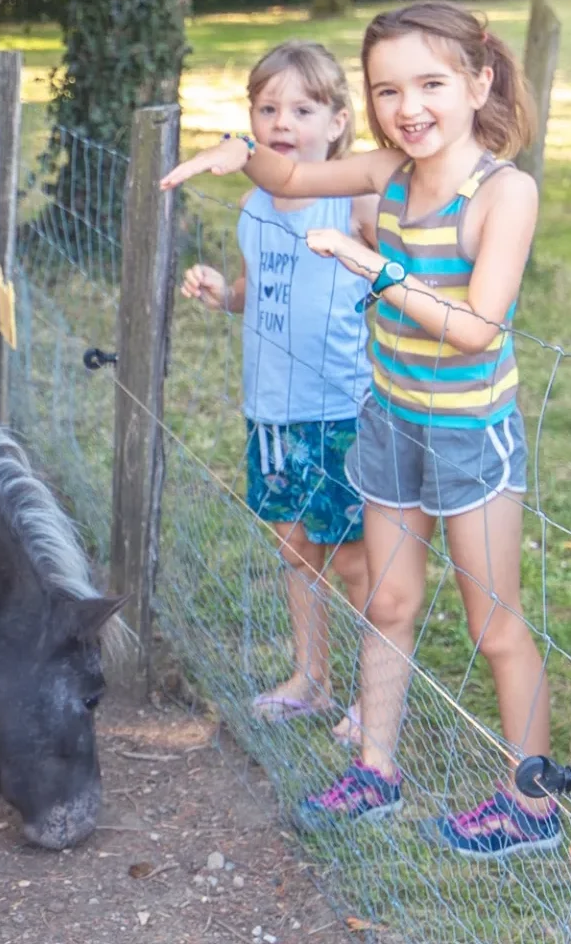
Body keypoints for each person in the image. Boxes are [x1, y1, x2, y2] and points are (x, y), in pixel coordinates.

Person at [160, 0, 561, 860]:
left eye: (430, 84)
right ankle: (376, 772)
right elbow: (293, 180)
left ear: (478, 81)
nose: (407, 107)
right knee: (386, 598)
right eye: (387, 91)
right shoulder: (385, 172)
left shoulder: (505, 191)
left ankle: (531, 800)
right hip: (388, 420)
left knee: (494, 623)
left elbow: (477, 328)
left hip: (467, 433)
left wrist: (373, 266)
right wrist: (243, 152)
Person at [176, 41, 372, 746]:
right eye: (267, 108)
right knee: (295, 548)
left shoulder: (356, 201)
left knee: (352, 557)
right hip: (272, 414)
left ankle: (375, 700)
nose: (282, 120)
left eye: (302, 107)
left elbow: (392, 280)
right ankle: (311, 677)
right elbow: (254, 291)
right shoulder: (255, 206)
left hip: (338, 412)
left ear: (338, 121)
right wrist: (219, 294)